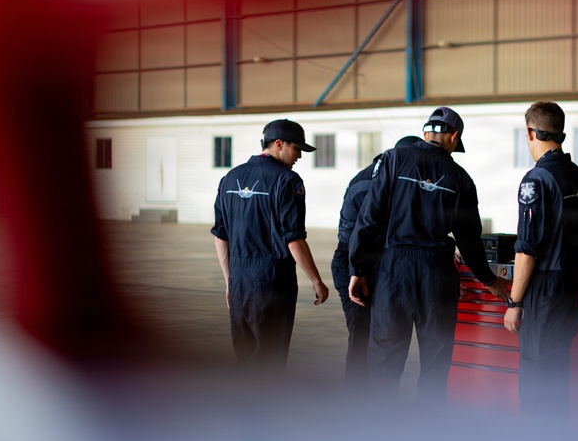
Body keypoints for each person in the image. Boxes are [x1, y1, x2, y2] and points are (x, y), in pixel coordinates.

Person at [349, 106, 509, 403]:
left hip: (392, 271)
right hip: (437, 274)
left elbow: (369, 218)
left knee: (385, 358)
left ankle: (380, 434)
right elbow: (469, 238)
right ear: (454, 137)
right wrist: (488, 279)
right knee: (436, 361)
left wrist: (358, 268)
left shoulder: (394, 158)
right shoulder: (460, 177)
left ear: (425, 132)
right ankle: (430, 433)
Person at [212, 119, 330, 370]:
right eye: (296, 148)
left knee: (244, 358)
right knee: (270, 359)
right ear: (278, 144)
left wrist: (230, 281)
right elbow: (293, 239)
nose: (299, 155)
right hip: (272, 282)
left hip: (240, 281)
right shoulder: (288, 181)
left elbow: (221, 236)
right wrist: (316, 280)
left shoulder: (229, 178)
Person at [503, 101, 578, 420]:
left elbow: (527, 249)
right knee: (557, 371)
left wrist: (514, 303)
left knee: (536, 374)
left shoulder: (536, 179)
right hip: (571, 287)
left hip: (544, 291)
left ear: (529, 132)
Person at [331, 135, 421, 387]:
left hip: (384, 265)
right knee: (363, 335)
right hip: (356, 265)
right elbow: (351, 240)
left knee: (384, 337)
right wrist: (358, 273)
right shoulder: (367, 183)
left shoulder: (399, 179)